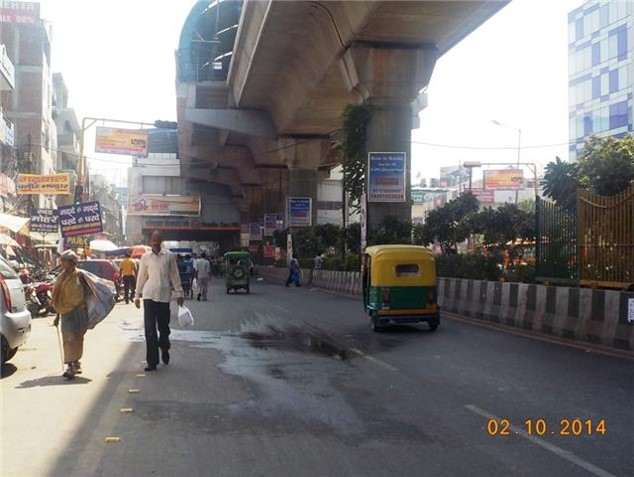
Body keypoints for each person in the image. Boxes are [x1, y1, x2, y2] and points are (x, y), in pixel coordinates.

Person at [134, 231, 184, 372]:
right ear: (150, 240)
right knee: (150, 329)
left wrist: (179, 292)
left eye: (157, 239)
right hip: (149, 295)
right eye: (153, 239)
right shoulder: (145, 257)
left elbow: (174, 275)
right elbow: (141, 276)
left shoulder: (169, 256)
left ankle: (165, 347)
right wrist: (137, 295)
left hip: (163, 296)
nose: (155, 241)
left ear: (161, 241)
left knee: (163, 328)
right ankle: (152, 362)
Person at [52, 250, 89, 380]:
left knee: (78, 338)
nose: (62, 263)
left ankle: (76, 362)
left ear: (72, 262)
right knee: (68, 339)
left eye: (64, 261)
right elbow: (58, 297)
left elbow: (89, 292)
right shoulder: (60, 277)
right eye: (61, 260)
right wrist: (57, 315)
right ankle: (70, 366)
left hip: (79, 311)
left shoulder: (80, 276)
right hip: (65, 312)